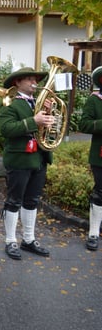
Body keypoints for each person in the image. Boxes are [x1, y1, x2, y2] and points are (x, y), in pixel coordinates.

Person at [0, 67, 54, 259]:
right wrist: (33, 121)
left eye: (35, 80)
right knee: (14, 201)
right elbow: (6, 129)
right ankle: (10, 241)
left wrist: (49, 115)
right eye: (30, 79)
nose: (34, 83)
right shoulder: (11, 103)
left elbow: (47, 129)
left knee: (32, 200)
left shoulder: (39, 103)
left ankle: (28, 239)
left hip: (39, 157)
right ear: (18, 82)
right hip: (19, 159)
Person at [78, 66, 102, 251]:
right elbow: (83, 124)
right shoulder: (94, 100)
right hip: (100, 155)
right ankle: (93, 233)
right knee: (100, 192)